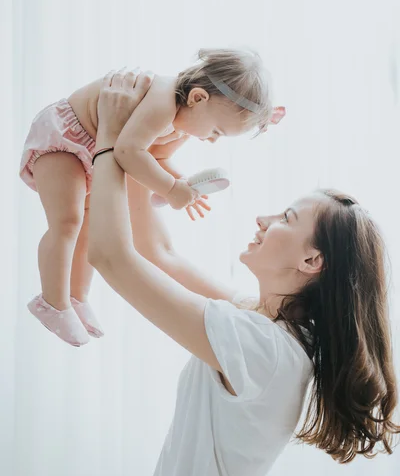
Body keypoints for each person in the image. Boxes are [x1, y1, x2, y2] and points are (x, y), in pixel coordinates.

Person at [90, 70, 400, 476]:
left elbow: (111, 257)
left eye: (285, 219)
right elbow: (158, 252)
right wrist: (146, 156)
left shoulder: (261, 346)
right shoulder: (264, 323)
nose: (262, 220)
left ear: (312, 262)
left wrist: (108, 140)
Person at [20, 48, 284, 347]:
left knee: (87, 228)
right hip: (65, 140)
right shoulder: (162, 99)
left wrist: (182, 185)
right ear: (198, 98)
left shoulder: (182, 127)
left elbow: (154, 158)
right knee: (67, 222)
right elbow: (128, 152)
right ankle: (52, 303)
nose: (211, 140)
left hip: (94, 152)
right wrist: (170, 189)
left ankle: (77, 297)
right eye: (215, 131)